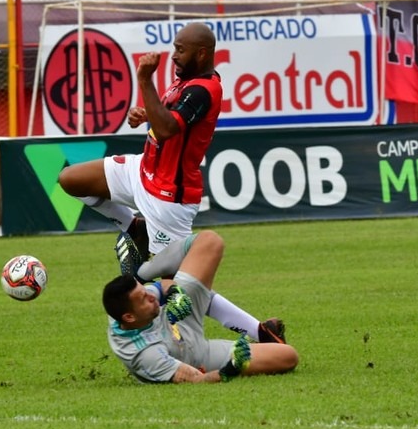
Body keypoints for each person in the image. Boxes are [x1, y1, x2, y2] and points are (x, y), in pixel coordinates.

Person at [59, 22, 284, 343]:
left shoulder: (203, 89)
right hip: (143, 170)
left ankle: (259, 331)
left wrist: (144, 79)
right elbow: (167, 121)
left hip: (168, 196)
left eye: (180, 50)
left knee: (178, 286)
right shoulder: (185, 81)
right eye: (174, 48)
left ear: (202, 53)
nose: (174, 55)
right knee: (71, 180)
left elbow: (167, 130)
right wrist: (146, 114)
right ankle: (134, 227)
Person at [102, 230, 299, 384]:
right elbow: (198, 380)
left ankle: (140, 273)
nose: (151, 297)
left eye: (145, 291)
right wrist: (233, 366)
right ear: (129, 317)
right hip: (192, 355)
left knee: (209, 241)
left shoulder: (129, 307)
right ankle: (260, 340)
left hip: (175, 317)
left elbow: (162, 286)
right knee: (288, 356)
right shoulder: (147, 355)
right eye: (144, 299)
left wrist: (174, 293)